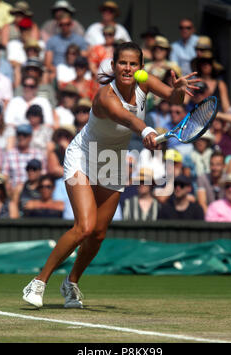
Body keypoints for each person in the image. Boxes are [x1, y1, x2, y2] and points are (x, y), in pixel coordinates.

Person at [22, 41, 199, 308]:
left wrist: (177, 91)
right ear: (114, 66)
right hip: (84, 156)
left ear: (140, 67)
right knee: (84, 226)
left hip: (112, 161)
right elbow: (129, 120)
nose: (128, 68)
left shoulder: (144, 81)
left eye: (133, 64)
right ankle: (38, 282)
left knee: (99, 234)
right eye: (123, 63)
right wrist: (147, 131)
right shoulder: (105, 97)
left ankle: (71, 283)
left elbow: (174, 100)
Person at [45, 12, 88, 80]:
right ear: (58, 25)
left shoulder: (80, 40)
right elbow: (47, 64)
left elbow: (84, 60)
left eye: (67, 24)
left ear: (71, 24)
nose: (64, 27)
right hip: (58, 72)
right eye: (62, 24)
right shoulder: (52, 41)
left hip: (76, 70)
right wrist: (58, 71)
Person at [1, 124, 46, 190]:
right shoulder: (9, 154)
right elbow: (4, 176)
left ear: (30, 137)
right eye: (19, 134)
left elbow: (43, 175)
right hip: (14, 191)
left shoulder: (39, 154)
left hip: (35, 192)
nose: (21, 137)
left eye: (25, 135)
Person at [196, 150, 226, 215]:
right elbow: (202, 203)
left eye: (218, 164)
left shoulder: (228, 180)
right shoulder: (202, 178)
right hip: (208, 217)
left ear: (224, 166)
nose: (214, 168)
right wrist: (212, 219)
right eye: (212, 164)